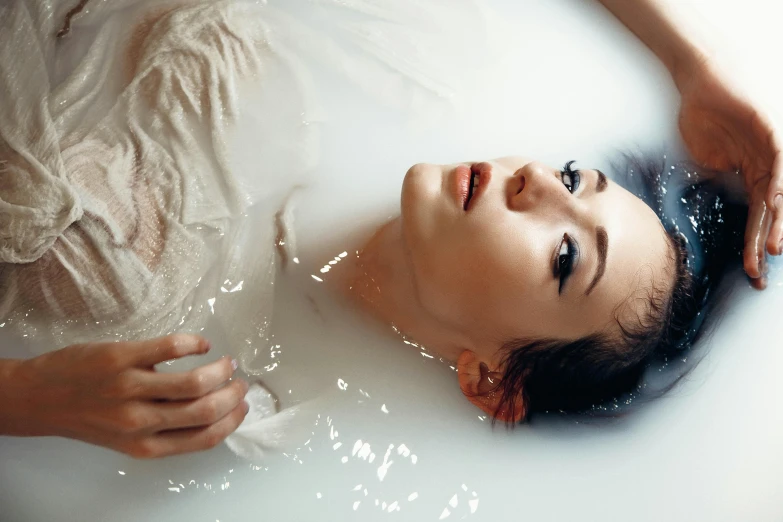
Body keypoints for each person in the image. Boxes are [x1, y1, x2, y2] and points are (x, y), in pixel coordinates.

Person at [0, 0, 781, 458]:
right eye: (574, 177)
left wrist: (28, 400)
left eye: (566, 255)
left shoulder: (150, 326)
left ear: (486, 378)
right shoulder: (407, 67)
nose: (537, 181)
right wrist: (689, 60)